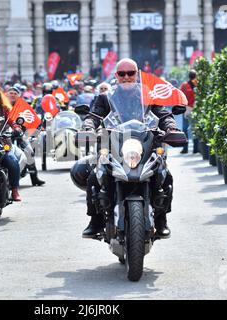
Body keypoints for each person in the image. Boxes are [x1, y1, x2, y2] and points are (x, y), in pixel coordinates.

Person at [78, 58, 180, 238]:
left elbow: (163, 114)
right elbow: (94, 115)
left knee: (165, 175)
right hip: (115, 143)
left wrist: (171, 127)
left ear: (137, 75)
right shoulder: (105, 97)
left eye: (130, 73)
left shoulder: (148, 95)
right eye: (122, 74)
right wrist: (88, 127)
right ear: (116, 75)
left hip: (144, 142)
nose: (126, 77)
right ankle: (95, 220)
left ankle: (161, 219)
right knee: (95, 176)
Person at [6, 86, 45, 187]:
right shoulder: (2, 105)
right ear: (6, 94)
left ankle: (34, 177)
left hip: (20, 135)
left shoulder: (23, 106)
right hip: (4, 134)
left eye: (15, 93)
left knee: (29, 151)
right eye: (11, 93)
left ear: (18, 95)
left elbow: (32, 118)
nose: (13, 95)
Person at [179, 70, 198, 154]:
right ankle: (196, 148)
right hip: (195, 108)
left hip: (186, 108)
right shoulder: (197, 84)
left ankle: (185, 148)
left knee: (184, 129)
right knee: (195, 128)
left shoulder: (184, 85)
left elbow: (180, 95)